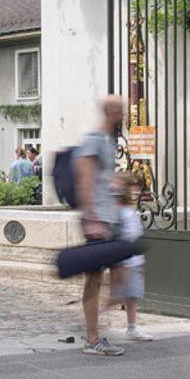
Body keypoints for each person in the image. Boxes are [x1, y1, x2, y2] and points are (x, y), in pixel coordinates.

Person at [74, 95, 126, 356]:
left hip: (109, 219)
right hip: (97, 221)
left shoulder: (108, 140)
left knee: (121, 270)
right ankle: (92, 338)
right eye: (120, 111)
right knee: (94, 279)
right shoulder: (94, 140)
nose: (123, 115)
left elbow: (102, 179)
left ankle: (99, 320)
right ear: (110, 112)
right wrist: (91, 218)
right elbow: (84, 180)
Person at [108, 172, 154, 342]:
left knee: (131, 296)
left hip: (133, 259)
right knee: (117, 297)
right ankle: (93, 325)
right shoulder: (120, 210)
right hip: (126, 260)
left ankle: (131, 327)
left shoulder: (126, 208)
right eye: (133, 186)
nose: (136, 190)